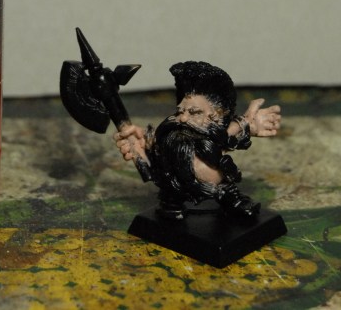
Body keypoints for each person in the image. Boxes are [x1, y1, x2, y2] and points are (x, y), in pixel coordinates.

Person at [114, 61, 281, 220]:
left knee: (229, 195)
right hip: (172, 186)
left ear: (216, 115)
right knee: (169, 204)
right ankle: (172, 205)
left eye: (194, 112)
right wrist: (141, 143)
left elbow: (229, 135)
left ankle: (231, 199)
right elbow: (153, 149)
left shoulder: (214, 136)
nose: (183, 118)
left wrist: (246, 123)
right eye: (181, 111)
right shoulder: (172, 134)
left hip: (216, 186)